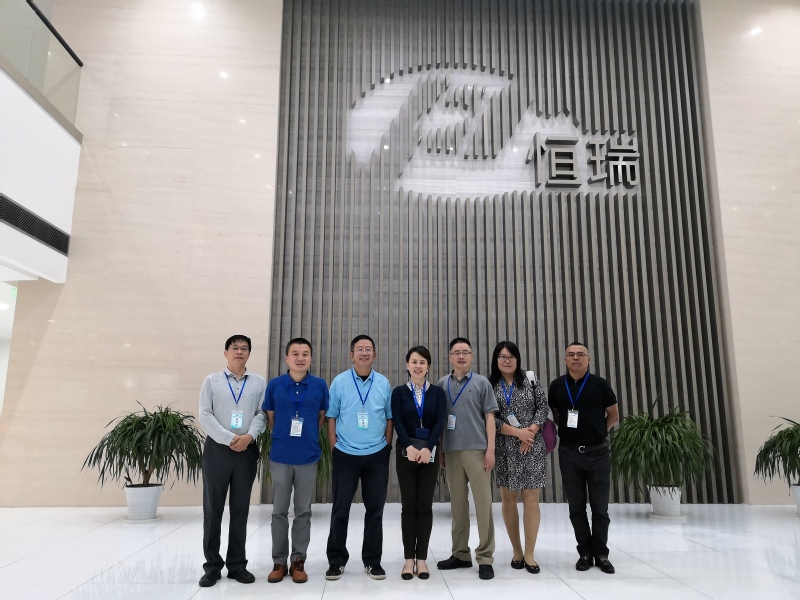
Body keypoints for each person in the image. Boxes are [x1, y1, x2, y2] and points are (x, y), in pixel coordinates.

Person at [198, 335, 267, 587]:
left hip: (246, 450)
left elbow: (262, 413)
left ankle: (237, 565)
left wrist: (248, 437)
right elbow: (204, 414)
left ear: (249, 353)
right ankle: (212, 567)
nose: (239, 351)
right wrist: (229, 438)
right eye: (235, 348)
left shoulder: (258, 382)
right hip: (217, 450)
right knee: (212, 509)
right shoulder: (212, 381)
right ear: (226, 352)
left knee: (240, 509)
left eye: (244, 348)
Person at [325, 334, 393, 581]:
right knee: (340, 508)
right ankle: (336, 560)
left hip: (376, 455)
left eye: (368, 349)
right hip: (345, 454)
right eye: (360, 349)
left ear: (375, 354)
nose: (364, 353)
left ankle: (372, 561)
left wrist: (386, 446)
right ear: (351, 354)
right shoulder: (340, 382)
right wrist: (334, 447)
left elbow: (389, 417)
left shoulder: (383, 383)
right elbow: (331, 416)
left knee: (375, 509)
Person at [263, 338, 329, 584]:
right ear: (286, 358)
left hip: (307, 456)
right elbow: (271, 418)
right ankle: (279, 562)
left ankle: (298, 560)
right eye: (295, 353)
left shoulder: (320, 385)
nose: (300, 358)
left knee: (303, 511)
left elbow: (321, 418)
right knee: (279, 511)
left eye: (305, 354)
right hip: (281, 456)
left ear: (311, 358)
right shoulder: (275, 385)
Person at [548, 342, 619, 574]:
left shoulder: (600, 384)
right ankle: (585, 553)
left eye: (580, 354)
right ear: (565, 360)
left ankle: (601, 553)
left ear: (588, 359)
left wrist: (598, 432)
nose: (576, 358)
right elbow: (556, 414)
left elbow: (613, 414)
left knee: (600, 508)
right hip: (569, 453)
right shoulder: (557, 385)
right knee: (576, 508)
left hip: (597, 453)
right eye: (571, 354)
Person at [436, 337, 498, 580]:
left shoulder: (482, 383)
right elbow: (441, 420)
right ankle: (460, 554)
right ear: (450, 357)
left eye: (465, 352)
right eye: (457, 352)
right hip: (452, 452)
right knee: (458, 505)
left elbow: (490, 418)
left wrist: (490, 449)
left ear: (472, 356)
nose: (461, 356)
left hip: (477, 450)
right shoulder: (442, 383)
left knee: (483, 505)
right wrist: (442, 449)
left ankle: (485, 557)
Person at [489, 341, 549, 574]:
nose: (507, 361)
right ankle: (516, 550)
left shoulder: (530, 379)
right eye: (502, 357)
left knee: (531, 498)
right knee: (509, 498)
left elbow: (542, 407)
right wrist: (517, 433)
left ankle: (530, 553)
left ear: (517, 359)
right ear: (496, 360)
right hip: (505, 447)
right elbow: (490, 418)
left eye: (511, 357)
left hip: (532, 446)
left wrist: (530, 432)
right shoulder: (490, 385)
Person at [391, 346, 447, 580]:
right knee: (408, 506)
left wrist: (428, 448)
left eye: (422, 362)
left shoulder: (437, 393)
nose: (418, 366)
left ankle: (421, 559)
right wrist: (409, 447)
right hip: (406, 453)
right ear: (407, 365)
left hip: (428, 454)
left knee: (424, 505)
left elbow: (439, 422)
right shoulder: (398, 392)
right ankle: (408, 560)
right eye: (414, 362)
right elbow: (397, 421)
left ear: (428, 366)